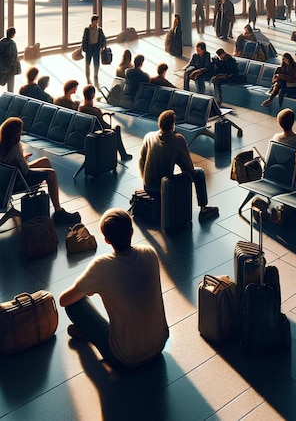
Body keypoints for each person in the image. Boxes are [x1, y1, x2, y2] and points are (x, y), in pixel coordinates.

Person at [59, 208, 169, 369]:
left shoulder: (101, 266)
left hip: (125, 357)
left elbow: (63, 300)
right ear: (131, 233)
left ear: (107, 240)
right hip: (158, 345)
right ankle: (90, 333)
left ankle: (91, 333)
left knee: (74, 303)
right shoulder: (150, 253)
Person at [138, 109, 216, 222]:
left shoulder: (149, 136)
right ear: (172, 126)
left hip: (148, 186)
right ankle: (203, 210)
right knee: (199, 173)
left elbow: (141, 160)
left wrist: (145, 179)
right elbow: (189, 169)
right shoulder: (177, 140)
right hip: (164, 188)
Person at [0, 117, 80, 225]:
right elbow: (25, 170)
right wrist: (23, 159)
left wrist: (22, 159)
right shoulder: (15, 148)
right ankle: (58, 211)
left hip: (5, 181)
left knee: (44, 161)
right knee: (51, 174)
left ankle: (38, 201)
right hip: (16, 182)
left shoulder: (3, 145)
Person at [79, 85, 133, 161]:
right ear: (93, 95)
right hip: (98, 134)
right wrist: (111, 126)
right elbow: (104, 125)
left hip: (88, 133)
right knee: (117, 129)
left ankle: (122, 154)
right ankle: (123, 154)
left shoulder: (80, 108)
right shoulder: (96, 111)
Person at [82, 15, 107, 86]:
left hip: (96, 48)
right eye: (95, 21)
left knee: (96, 64)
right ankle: (88, 78)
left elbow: (103, 39)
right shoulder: (87, 29)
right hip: (89, 49)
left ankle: (95, 78)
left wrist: (102, 47)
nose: (96, 23)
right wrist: (84, 48)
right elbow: (84, 39)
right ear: (92, 21)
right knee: (87, 64)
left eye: (97, 21)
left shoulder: (99, 30)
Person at [0, 27, 21, 92]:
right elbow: (14, 56)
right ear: (13, 35)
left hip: (1, 66)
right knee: (10, 86)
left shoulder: (1, 42)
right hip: (10, 68)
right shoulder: (12, 44)